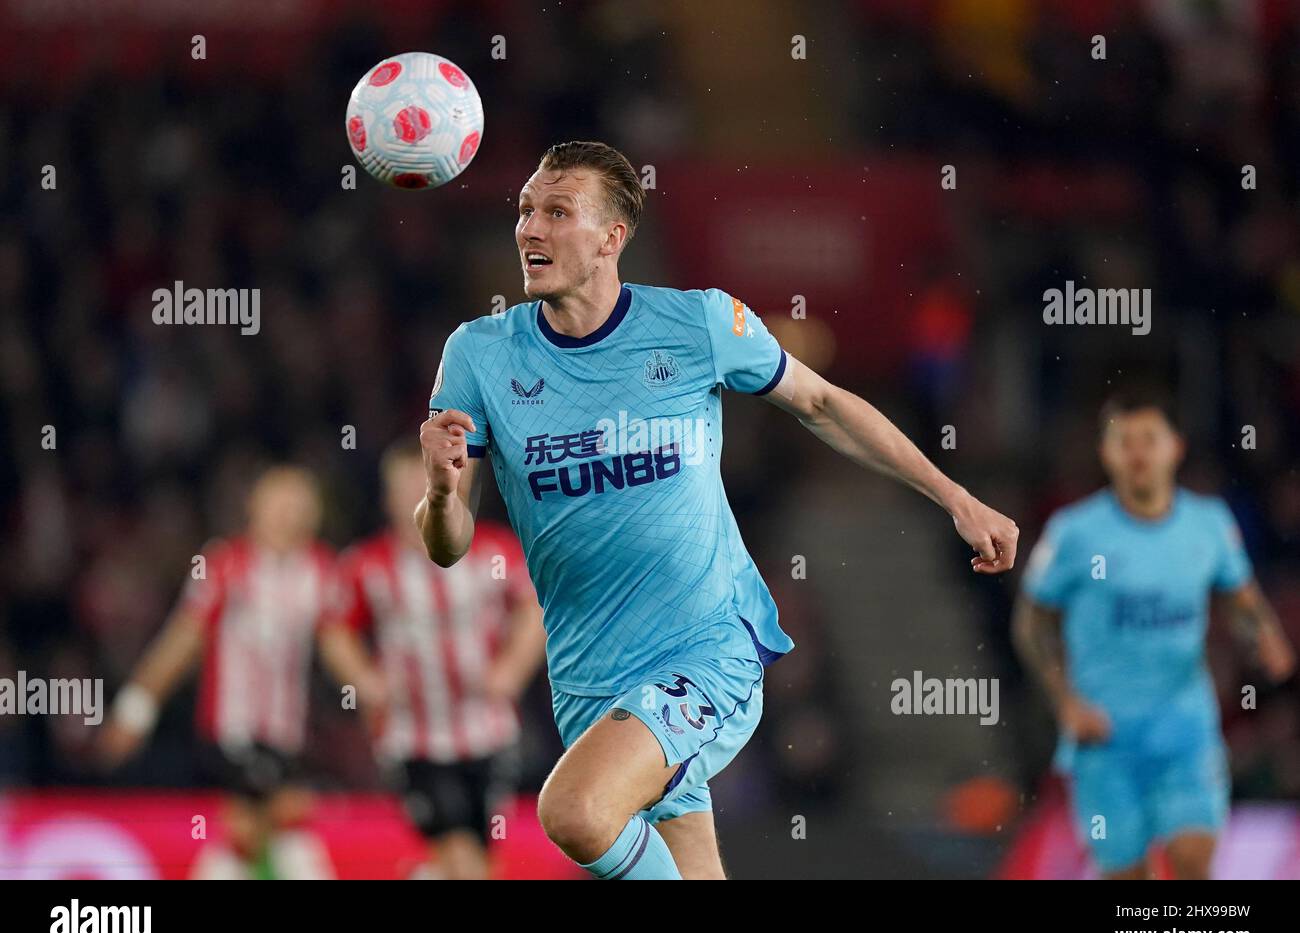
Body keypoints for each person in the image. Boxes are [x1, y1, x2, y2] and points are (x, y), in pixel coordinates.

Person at [416, 140, 1019, 879]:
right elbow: (446, 546)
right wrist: (443, 491)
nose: (530, 229)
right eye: (525, 210)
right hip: (589, 679)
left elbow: (824, 403)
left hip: (708, 651)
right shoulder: (479, 354)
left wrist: (953, 496)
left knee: (574, 811)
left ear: (613, 237)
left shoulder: (698, 326)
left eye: (557, 212)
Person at [1014, 390, 1296, 879]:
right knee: (1129, 878)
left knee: (1192, 860)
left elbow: (1242, 600)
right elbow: (1032, 625)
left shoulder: (1208, 525)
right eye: (1125, 442)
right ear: (1106, 453)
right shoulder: (1075, 533)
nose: (1139, 453)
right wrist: (1065, 702)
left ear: (1176, 448)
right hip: (1106, 738)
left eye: (1150, 439)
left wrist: (1264, 636)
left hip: (1186, 732)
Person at [320, 441, 545, 879]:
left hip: (488, 731)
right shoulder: (369, 565)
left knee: (477, 855)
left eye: (423, 484)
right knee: (456, 849)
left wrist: (512, 669)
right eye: (403, 488)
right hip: (412, 737)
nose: (416, 496)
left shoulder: (493, 553)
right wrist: (363, 680)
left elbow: (532, 608)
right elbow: (335, 627)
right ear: (387, 499)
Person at [100, 465, 335, 879]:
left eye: (299, 505)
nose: (288, 514)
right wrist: (135, 708)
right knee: (272, 821)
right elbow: (183, 641)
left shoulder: (319, 571)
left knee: (257, 835)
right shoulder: (226, 565)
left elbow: (339, 644)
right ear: (254, 507)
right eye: (279, 503)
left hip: (289, 734)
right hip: (232, 729)